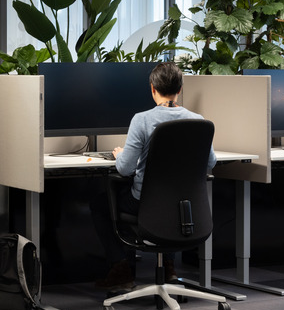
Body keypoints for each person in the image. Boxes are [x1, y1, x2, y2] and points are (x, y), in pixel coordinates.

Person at [92, 62, 216, 290]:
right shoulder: (198, 121)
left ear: (152, 88)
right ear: (180, 88)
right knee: (168, 200)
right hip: (185, 205)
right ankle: (169, 268)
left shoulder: (142, 120)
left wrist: (120, 155)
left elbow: (125, 169)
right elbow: (210, 162)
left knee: (101, 204)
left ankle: (122, 271)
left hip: (145, 203)